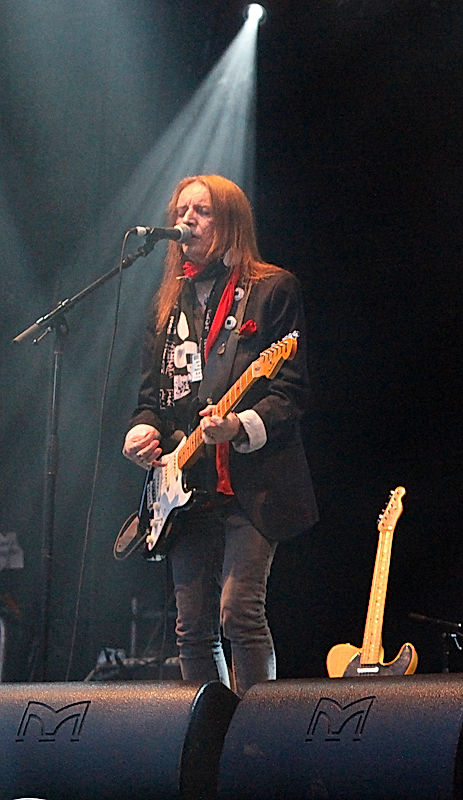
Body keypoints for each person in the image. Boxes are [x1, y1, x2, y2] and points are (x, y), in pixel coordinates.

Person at [121, 175, 318, 695]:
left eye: (202, 211)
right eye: (182, 209)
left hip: (250, 480)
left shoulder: (272, 289)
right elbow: (152, 400)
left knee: (239, 613)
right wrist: (141, 433)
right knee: (191, 630)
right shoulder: (167, 305)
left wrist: (238, 426)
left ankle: (259, 736)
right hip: (185, 484)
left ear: (230, 220)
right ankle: (209, 741)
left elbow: (291, 391)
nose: (186, 220)